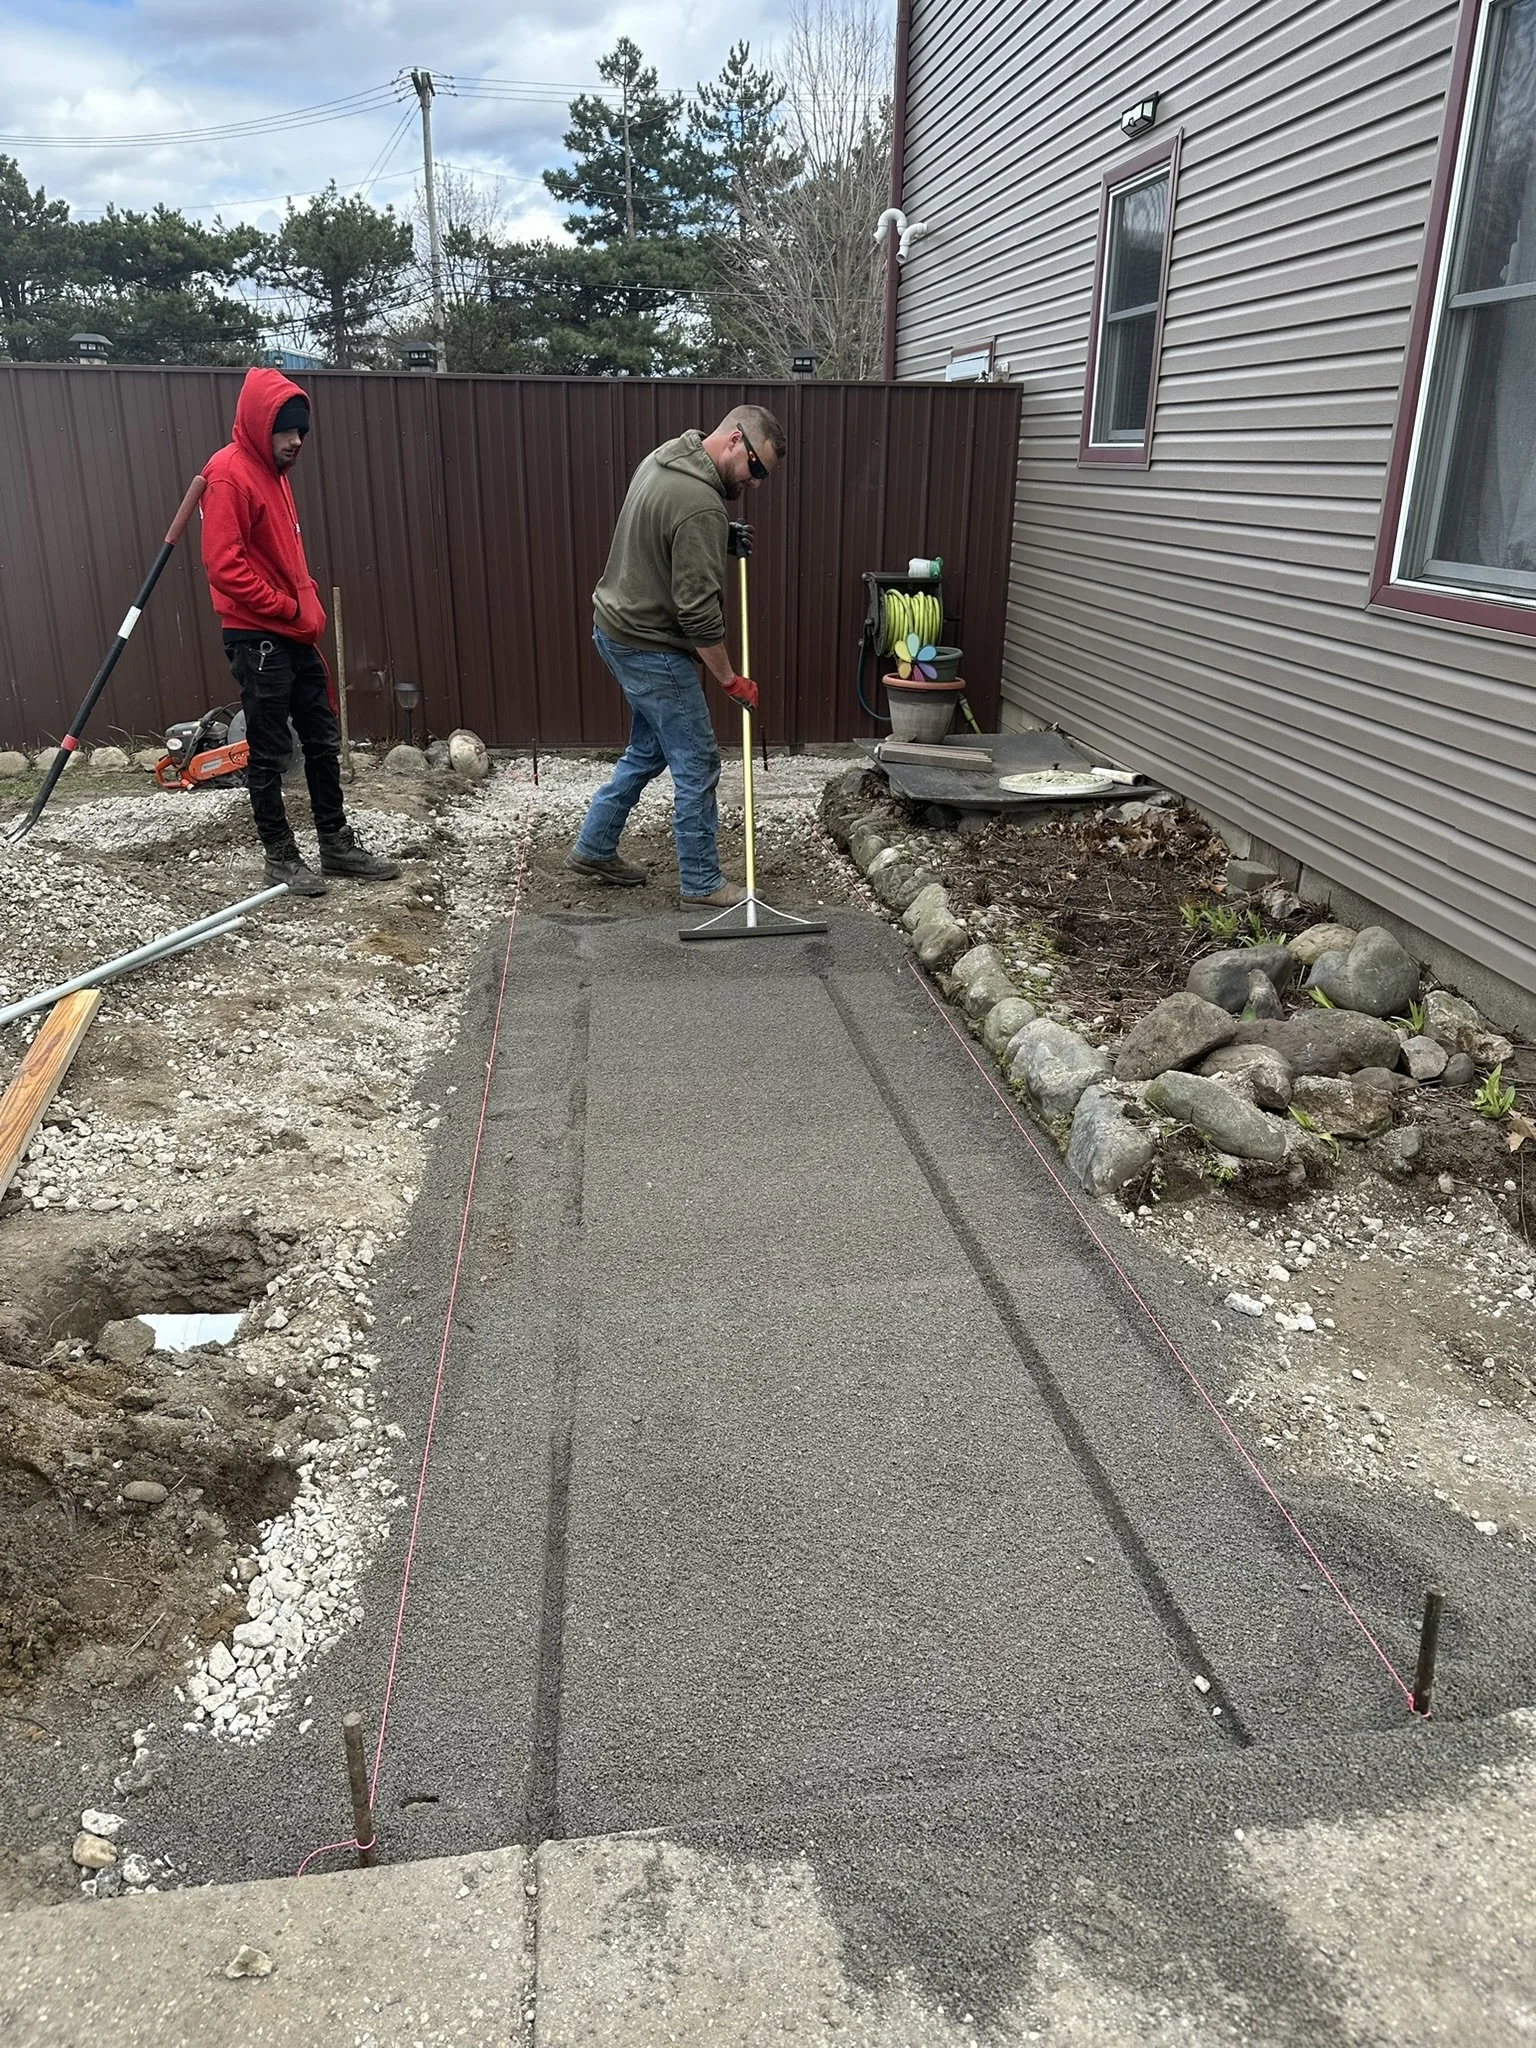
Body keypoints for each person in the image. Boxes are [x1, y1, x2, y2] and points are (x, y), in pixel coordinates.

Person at [567, 404, 785, 907]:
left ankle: (594, 846)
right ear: (734, 440)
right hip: (650, 646)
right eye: (755, 468)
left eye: (763, 476)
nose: (755, 483)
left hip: (613, 629)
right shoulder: (701, 505)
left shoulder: (668, 456)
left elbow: (663, 525)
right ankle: (702, 882)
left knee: (648, 751)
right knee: (697, 761)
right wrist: (730, 680)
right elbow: (698, 614)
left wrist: (719, 536)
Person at [200, 367, 400, 897]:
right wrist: (288, 608)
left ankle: (335, 843)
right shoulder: (228, 475)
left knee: (321, 737)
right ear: (259, 423)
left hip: (292, 633)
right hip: (257, 637)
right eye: (286, 429)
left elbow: (282, 560)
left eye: (302, 432)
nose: (296, 441)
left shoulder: (275, 475)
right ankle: (280, 857)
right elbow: (224, 567)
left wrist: (302, 608)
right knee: (269, 750)